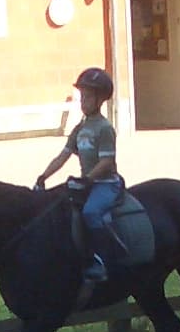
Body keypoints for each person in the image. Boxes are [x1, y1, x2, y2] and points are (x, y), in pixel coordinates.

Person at [33, 67, 126, 282]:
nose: (83, 101)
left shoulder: (104, 128)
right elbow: (63, 155)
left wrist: (87, 180)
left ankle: (100, 260)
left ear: (100, 99)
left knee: (91, 213)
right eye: (82, 96)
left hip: (105, 184)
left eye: (88, 97)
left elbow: (106, 161)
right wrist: (43, 176)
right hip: (88, 183)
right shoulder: (80, 128)